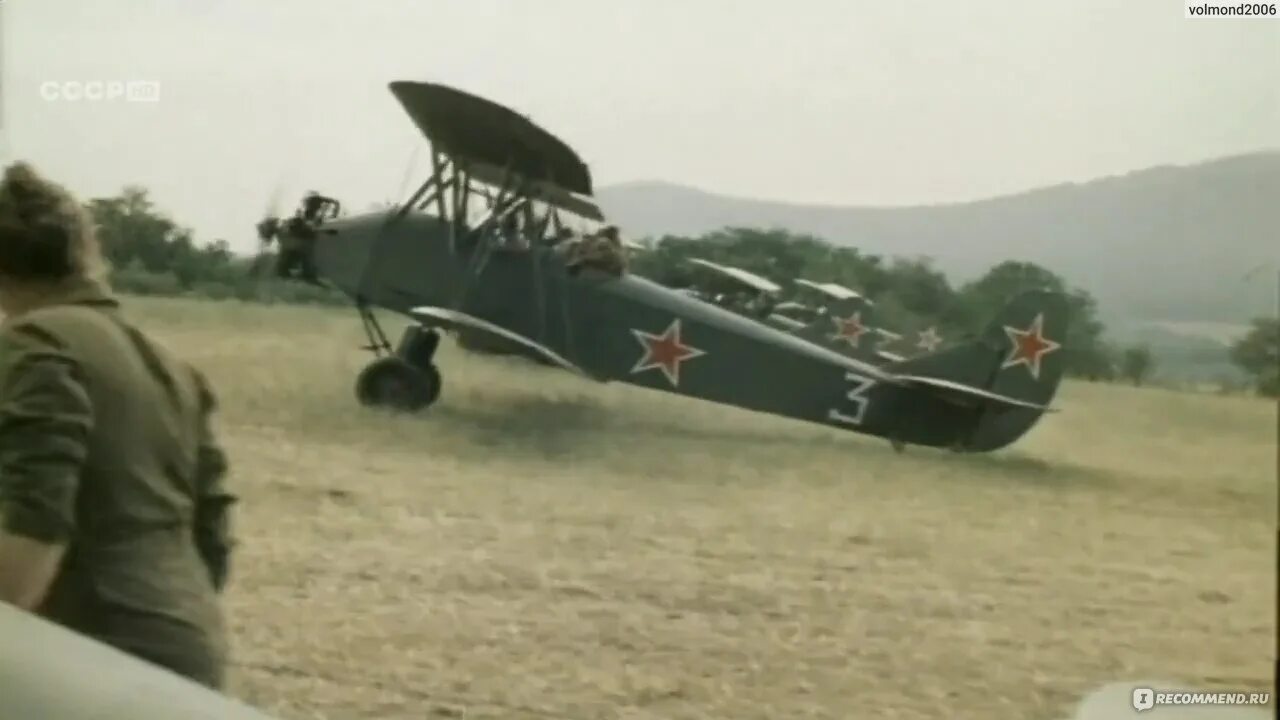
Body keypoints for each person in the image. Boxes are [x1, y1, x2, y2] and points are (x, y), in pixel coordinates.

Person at [0, 162, 235, 689]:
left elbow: (36, 522)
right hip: (189, 653)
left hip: (89, 656)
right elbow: (212, 536)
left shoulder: (36, 344)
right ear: (82, 252)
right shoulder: (170, 363)